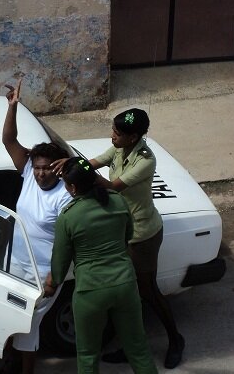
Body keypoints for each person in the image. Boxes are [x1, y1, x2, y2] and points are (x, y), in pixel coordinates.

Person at [52, 107, 184, 369]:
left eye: (117, 133)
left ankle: (175, 339)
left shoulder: (145, 160)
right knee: (127, 294)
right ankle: (131, 342)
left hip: (142, 233)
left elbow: (112, 186)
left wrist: (78, 176)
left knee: (146, 290)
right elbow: (94, 162)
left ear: (133, 137)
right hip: (125, 226)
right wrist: (70, 165)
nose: (112, 136)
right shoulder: (119, 148)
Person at [46, 157, 158, 374]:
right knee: (138, 349)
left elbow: (59, 264)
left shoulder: (68, 217)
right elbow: (129, 235)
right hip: (125, 284)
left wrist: (52, 284)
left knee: (88, 355)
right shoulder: (118, 201)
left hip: (91, 290)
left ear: (74, 187)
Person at [0, 79, 72, 374]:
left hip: (44, 272)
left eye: (46, 168)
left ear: (57, 167)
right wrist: (12, 107)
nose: (40, 173)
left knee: (28, 326)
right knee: (10, 318)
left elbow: (68, 242)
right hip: (16, 261)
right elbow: (9, 140)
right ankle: (10, 365)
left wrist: (54, 278)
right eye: (37, 167)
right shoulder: (28, 172)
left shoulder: (65, 196)